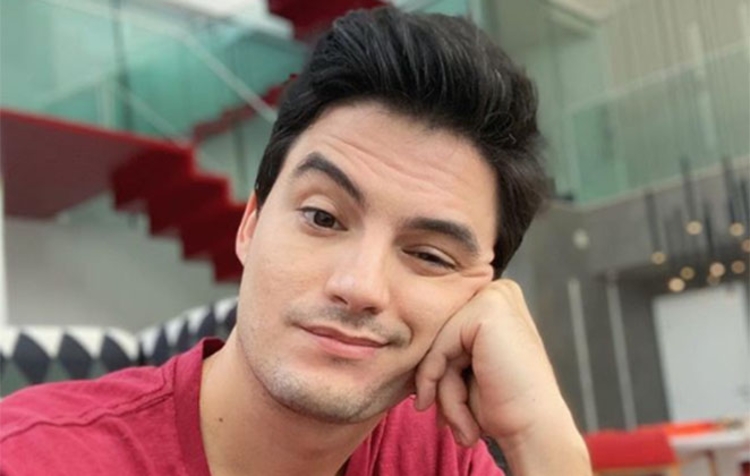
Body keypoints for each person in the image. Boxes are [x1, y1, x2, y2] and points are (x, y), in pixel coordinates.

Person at [0, 7, 590, 475]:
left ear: (480, 298)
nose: (359, 286)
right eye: (323, 218)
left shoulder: (437, 457)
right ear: (250, 224)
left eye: (429, 255)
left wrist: (542, 437)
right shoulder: (31, 458)